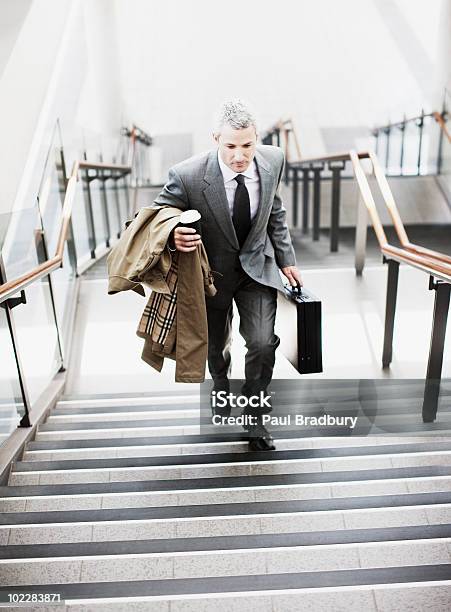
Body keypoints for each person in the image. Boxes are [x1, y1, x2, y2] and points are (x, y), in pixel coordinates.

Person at [154, 99, 302, 450]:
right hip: (211, 275)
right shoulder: (187, 175)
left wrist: (286, 257)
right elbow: (157, 217)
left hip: (256, 270)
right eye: (231, 146)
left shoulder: (273, 160)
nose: (240, 155)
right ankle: (220, 384)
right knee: (216, 347)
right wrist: (173, 232)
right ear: (216, 138)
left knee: (264, 343)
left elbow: (274, 210)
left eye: (248, 145)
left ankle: (255, 419)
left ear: (257, 139)